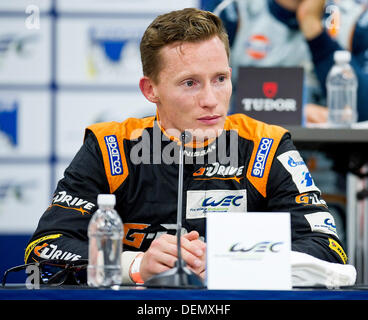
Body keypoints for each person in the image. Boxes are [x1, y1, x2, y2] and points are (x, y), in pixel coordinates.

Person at [25, 8, 349, 285]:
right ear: (150, 89)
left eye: (220, 79)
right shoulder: (111, 147)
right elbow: (45, 247)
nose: (210, 100)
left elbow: (329, 248)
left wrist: (237, 258)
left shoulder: (267, 145)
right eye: (190, 83)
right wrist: (134, 265)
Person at [204, 0, 368, 123]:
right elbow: (201, 99)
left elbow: (364, 114)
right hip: (248, 153)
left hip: (326, 161)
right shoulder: (236, 13)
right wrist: (297, 113)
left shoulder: (354, 20)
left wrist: (312, 27)